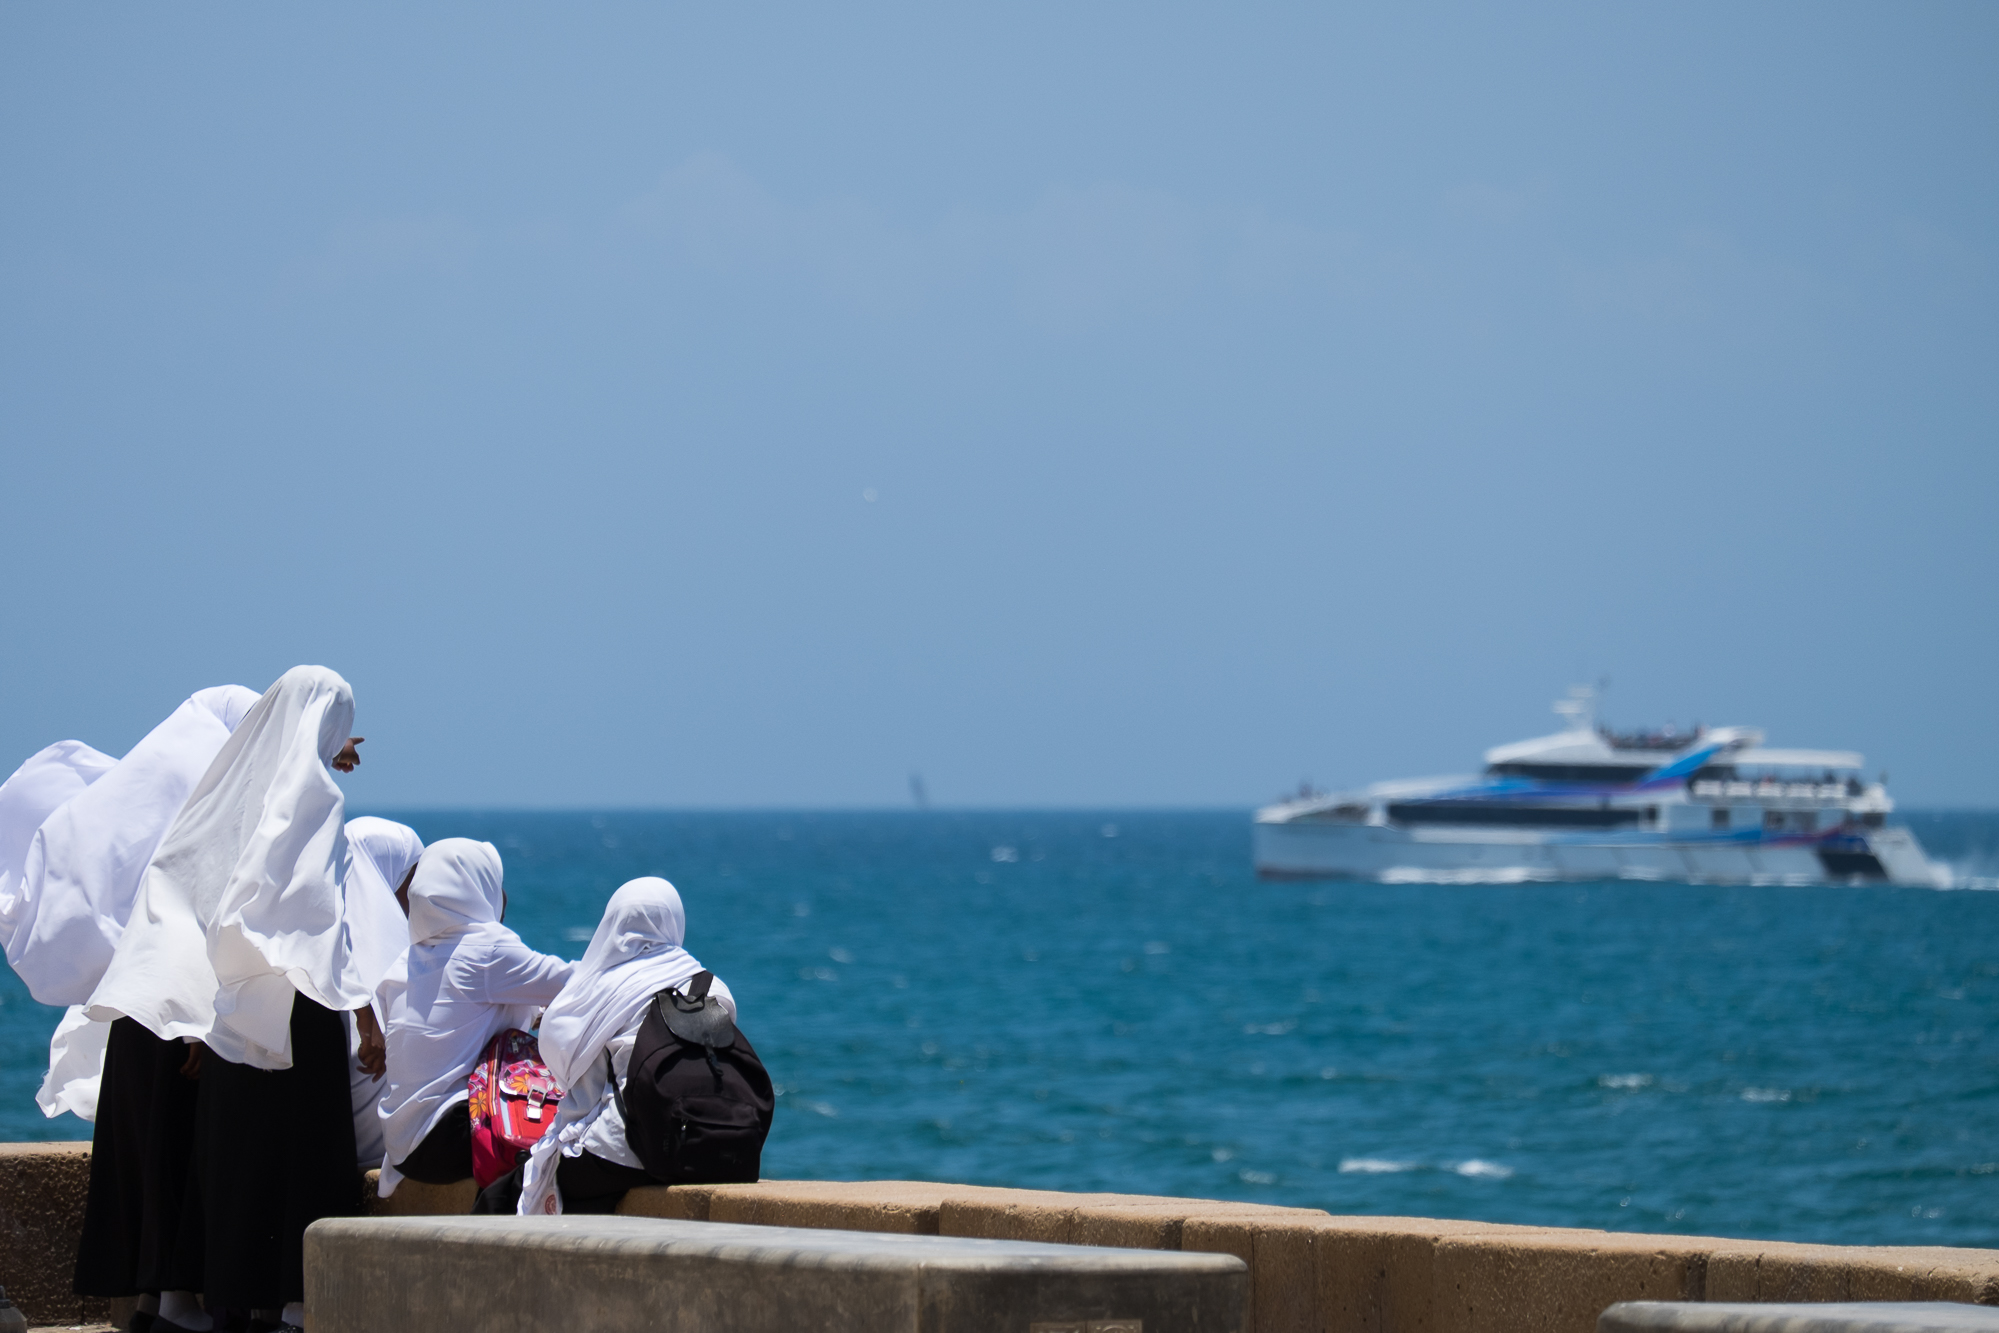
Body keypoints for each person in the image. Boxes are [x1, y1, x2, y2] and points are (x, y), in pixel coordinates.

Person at [84, 666, 381, 1333]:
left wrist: (198, 1013)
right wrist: (363, 1010)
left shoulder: (228, 789)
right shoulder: (313, 797)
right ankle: (297, 1306)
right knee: (306, 1159)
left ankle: (210, 1306)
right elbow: (316, 918)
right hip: (293, 1005)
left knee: (232, 1164)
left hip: (226, 1008)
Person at [510, 877, 735, 1216]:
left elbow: (559, 1055)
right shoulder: (712, 986)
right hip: (707, 1143)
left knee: (505, 1194)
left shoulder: (599, 990)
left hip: (625, 1148)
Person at [375, 839, 572, 1197]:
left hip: (404, 1149)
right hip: (450, 1135)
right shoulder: (484, 947)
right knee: (575, 1126)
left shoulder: (406, 962)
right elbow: (576, 983)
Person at [340, 818, 425, 1172]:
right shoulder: (400, 956)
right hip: (388, 1150)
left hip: (335, 1138)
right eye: (413, 876)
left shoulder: (323, 946)